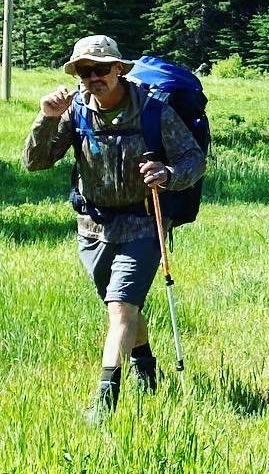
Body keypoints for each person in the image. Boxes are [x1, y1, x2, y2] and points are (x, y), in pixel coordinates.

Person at [22, 35, 205, 420]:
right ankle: (145, 367)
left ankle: (104, 404)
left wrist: (168, 173)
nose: (93, 78)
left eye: (101, 69)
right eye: (84, 71)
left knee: (120, 309)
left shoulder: (154, 112)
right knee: (120, 304)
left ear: (119, 69)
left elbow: (193, 159)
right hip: (93, 226)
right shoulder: (76, 113)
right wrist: (47, 117)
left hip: (144, 223)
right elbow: (35, 162)